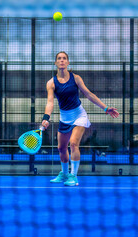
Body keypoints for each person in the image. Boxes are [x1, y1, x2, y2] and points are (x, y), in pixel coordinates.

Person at [42, 51, 119, 186]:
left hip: (79, 115)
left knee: (73, 143)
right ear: (55, 63)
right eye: (59, 58)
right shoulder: (51, 83)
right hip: (64, 118)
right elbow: (50, 102)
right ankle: (65, 174)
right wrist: (46, 117)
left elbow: (89, 94)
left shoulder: (76, 78)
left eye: (64, 58)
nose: (61, 60)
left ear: (68, 62)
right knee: (61, 148)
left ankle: (74, 176)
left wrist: (106, 108)